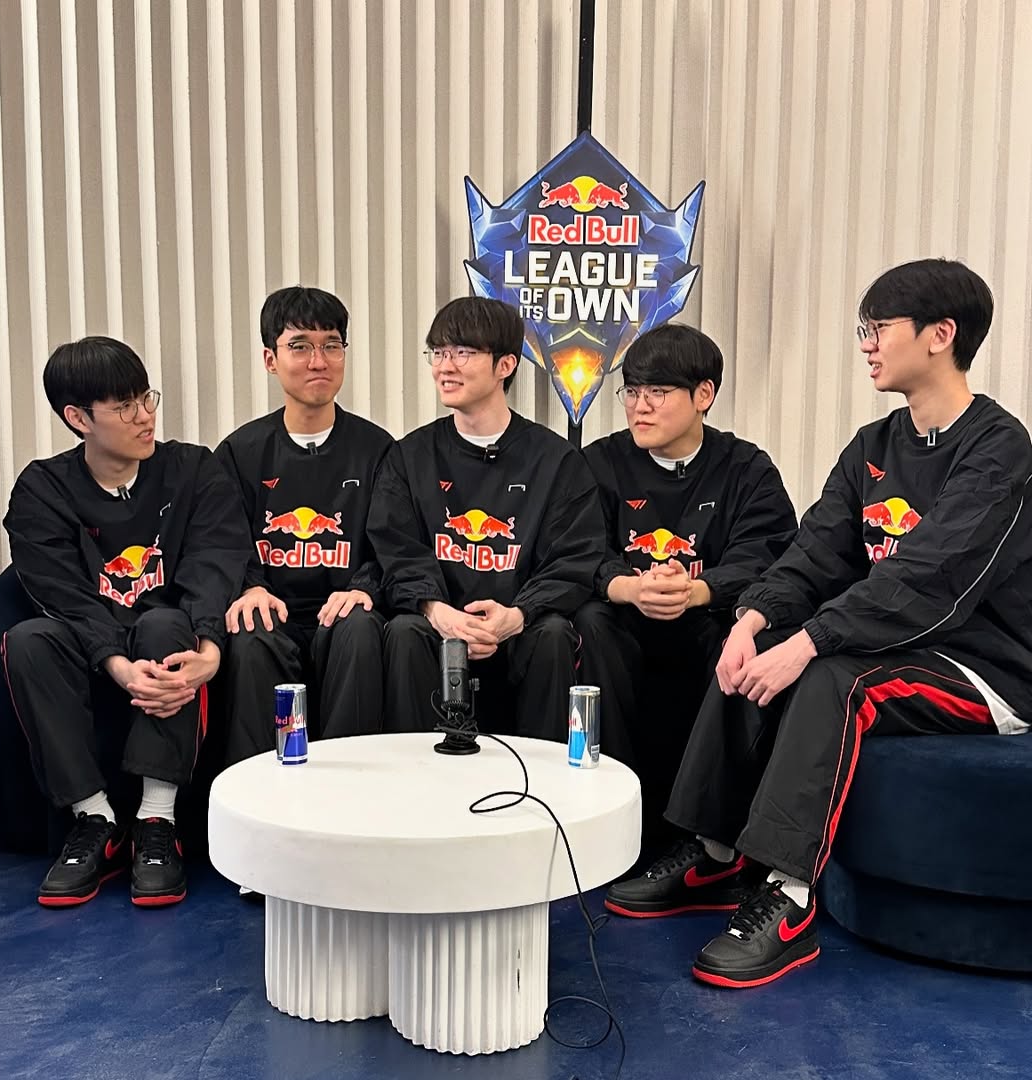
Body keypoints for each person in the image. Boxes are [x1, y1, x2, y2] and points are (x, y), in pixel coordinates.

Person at [607, 258, 1032, 988]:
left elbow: (927, 579)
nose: (865, 342)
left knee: (835, 677)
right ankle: (714, 853)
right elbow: (814, 551)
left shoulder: (999, 449)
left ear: (940, 335)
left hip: (985, 666)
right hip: (893, 642)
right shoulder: (873, 446)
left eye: (878, 327)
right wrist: (753, 618)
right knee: (758, 645)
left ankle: (789, 894)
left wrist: (811, 641)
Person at [2, 337, 250, 908]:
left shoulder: (193, 469)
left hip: (169, 632)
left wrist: (209, 648)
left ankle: (157, 821)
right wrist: (115, 663)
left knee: (165, 625)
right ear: (78, 419)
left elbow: (214, 562)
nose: (145, 416)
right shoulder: (42, 488)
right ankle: (95, 820)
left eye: (146, 398)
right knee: (28, 640)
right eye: (124, 407)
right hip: (90, 639)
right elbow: (61, 593)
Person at [576, 324, 797, 857]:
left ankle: (706, 840)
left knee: (739, 638)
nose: (639, 407)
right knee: (588, 624)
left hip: (706, 617)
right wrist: (627, 586)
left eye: (658, 391)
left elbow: (768, 553)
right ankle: (605, 813)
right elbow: (576, 547)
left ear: (704, 395)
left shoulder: (746, 468)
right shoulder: (599, 462)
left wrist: (699, 589)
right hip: (623, 616)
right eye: (632, 391)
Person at [368, 297, 604, 740]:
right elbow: (395, 549)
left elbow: (573, 558)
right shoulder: (409, 457)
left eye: (462, 352)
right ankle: (410, 773)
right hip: (438, 625)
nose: (445, 366)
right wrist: (437, 610)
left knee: (554, 632)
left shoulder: (556, 462)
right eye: (438, 352)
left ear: (505, 365)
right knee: (403, 630)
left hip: (519, 628)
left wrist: (518, 614)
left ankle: (545, 775)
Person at [215, 287, 393, 764]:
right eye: (300, 346)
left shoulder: (378, 450)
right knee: (250, 634)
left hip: (343, 610)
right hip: (274, 611)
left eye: (331, 345)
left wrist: (363, 587)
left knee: (360, 627)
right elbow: (221, 543)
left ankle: (350, 784)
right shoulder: (239, 453)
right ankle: (255, 791)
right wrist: (250, 587)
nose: (319, 361)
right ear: (270, 360)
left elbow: (392, 542)